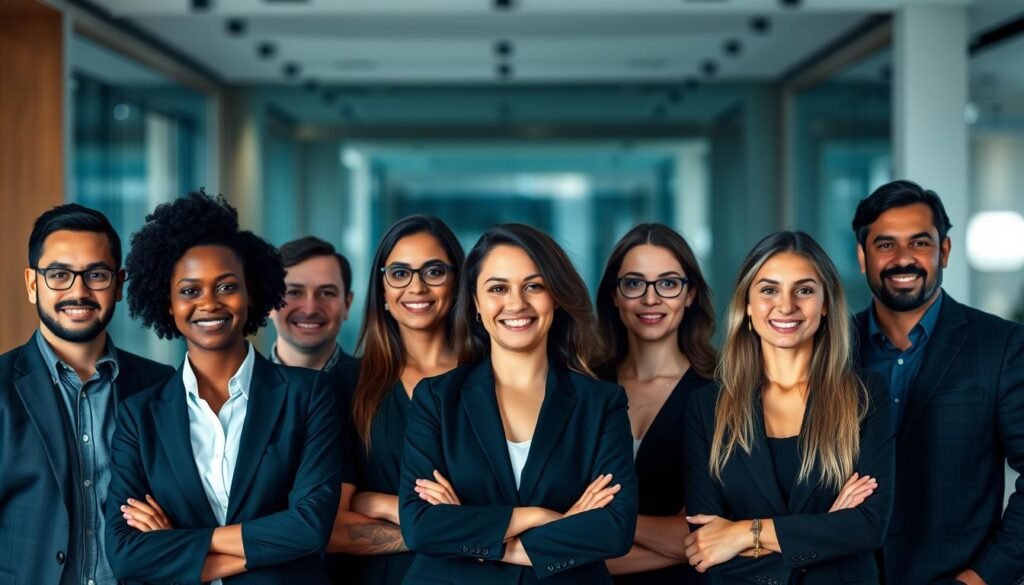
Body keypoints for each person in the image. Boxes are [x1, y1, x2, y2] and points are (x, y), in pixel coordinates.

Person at [104, 192, 341, 584]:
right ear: (168, 303)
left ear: (252, 295)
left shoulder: (310, 395)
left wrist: (179, 543)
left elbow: (310, 527)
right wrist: (264, 546)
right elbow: (127, 556)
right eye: (190, 291)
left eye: (227, 286)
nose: (209, 303)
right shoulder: (138, 414)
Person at [399, 223, 638, 584]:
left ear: (555, 296)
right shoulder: (436, 398)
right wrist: (541, 517)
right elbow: (420, 526)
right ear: (476, 303)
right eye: (498, 288)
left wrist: (475, 532)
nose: (516, 303)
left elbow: (614, 529)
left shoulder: (601, 402)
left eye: (534, 286)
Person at [684, 231, 894, 584]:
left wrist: (742, 534)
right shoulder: (707, 407)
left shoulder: (865, 395)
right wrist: (828, 527)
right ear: (747, 305)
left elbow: (868, 527)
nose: (786, 305)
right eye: (768, 290)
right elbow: (705, 545)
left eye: (805, 290)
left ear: (825, 303)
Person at [850, 180, 1024, 584]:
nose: (903, 259)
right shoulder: (830, 352)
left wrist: (979, 579)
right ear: (863, 256)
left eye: (920, 243)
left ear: (944, 251)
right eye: (886, 244)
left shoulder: (1002, 347)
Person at [0, 204, 174, 585]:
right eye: (59, 274)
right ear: (33, 284)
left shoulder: (162, 386)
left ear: (119, 283)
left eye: (96, 274)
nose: (78, 291)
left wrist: (170, 539)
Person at [325, 215, 464, 585]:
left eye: (434, 271)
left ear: (457, 283)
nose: (416, 287)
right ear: (382, 291)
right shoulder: (345, 386)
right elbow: (332, 527)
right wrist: (450, 533)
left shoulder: (494, 378)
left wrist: (385, 505)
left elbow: (514, 509)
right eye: (400, 273)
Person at [593, 223, 716, 584]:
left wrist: (601, 519)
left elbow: (707, 536)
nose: (651, 299)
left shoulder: (722, 393)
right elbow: (558, 539)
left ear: (689, 294)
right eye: (634, 283)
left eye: (668, 283)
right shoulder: (582, 388)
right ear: (614, 295)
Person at [269, 236, 355, 371]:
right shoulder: (238, 387)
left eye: (327, 293)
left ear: (347, 304)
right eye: (294, 292)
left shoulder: (382, 388)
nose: (310, 310)